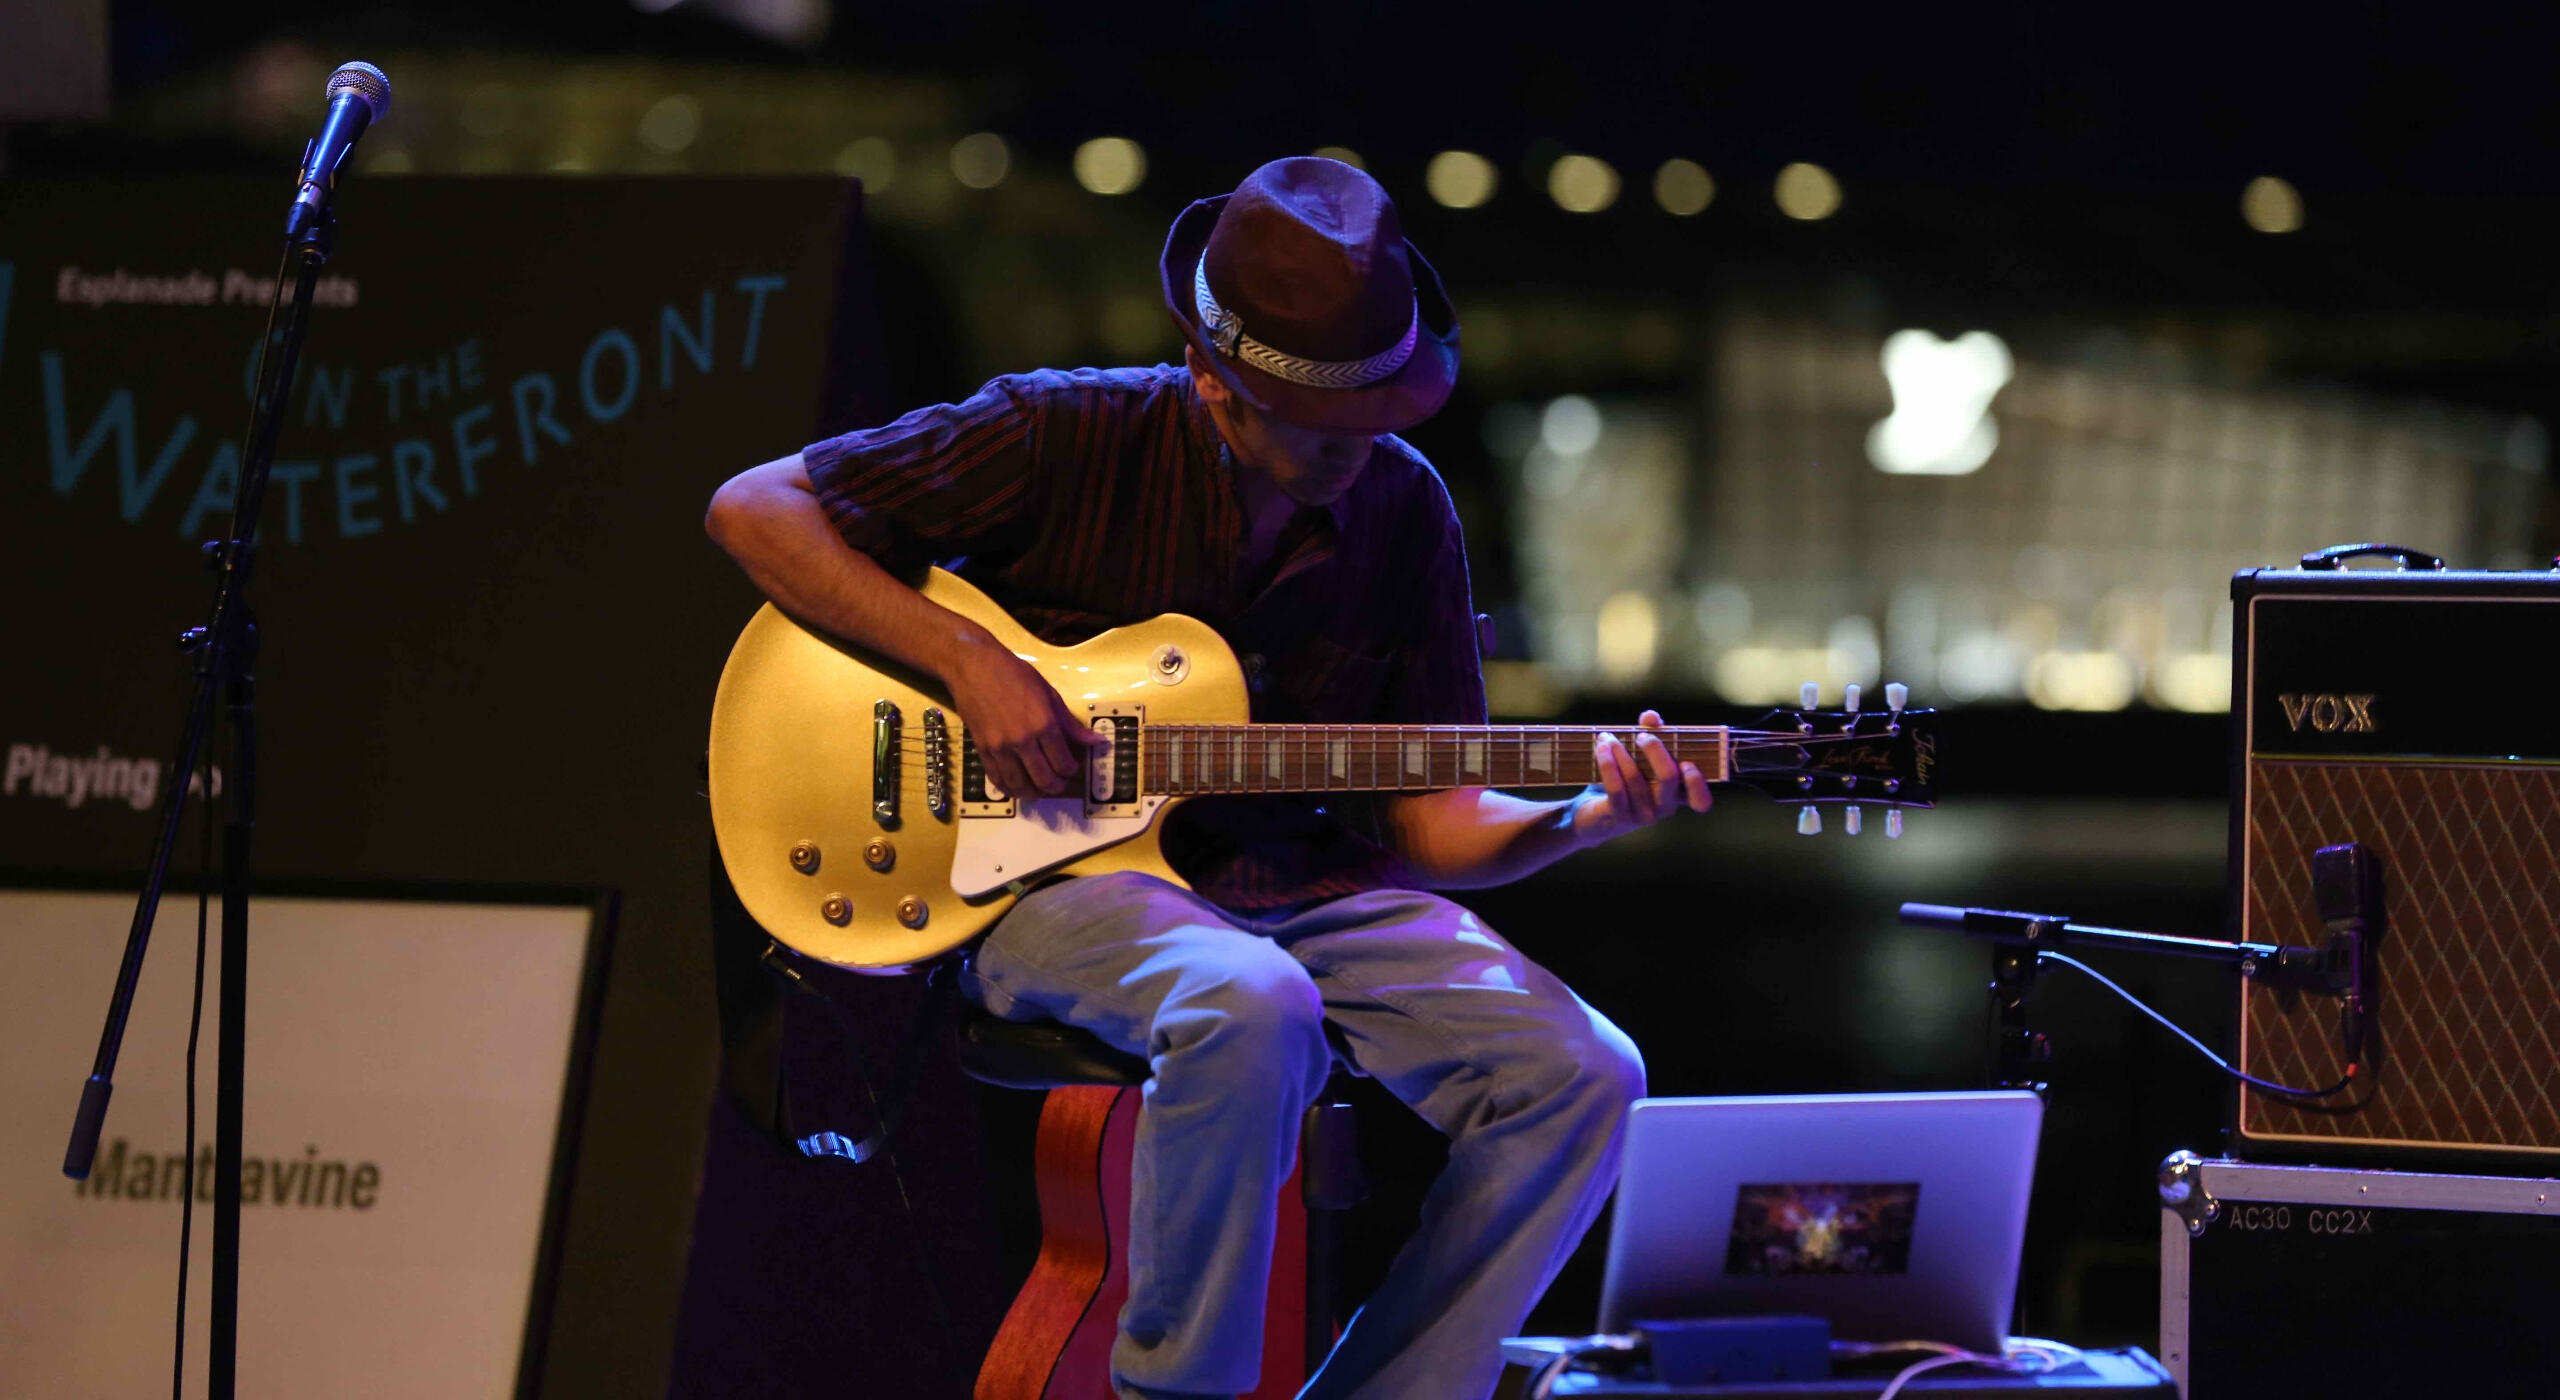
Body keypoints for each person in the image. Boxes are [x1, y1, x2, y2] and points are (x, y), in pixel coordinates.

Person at [705, 156, 1709, 1400]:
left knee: (1587, 1074)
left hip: (1305, 889)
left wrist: (1585, 815)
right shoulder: (1059, 429)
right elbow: (757, 509)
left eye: (1381, 409)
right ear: (1215, 386)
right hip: (1059, 879)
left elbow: (1436, 820)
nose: (1364, 443)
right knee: (1247, 998)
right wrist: (970, 663)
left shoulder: (1405, 506)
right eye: (1323, 419)